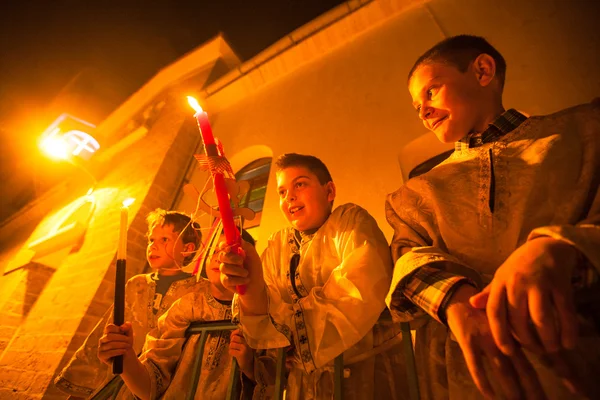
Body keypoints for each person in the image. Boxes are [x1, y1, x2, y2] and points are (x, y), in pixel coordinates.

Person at [385, 34, 600, 399]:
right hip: (475, 376)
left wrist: (562, 247)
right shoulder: (415, 193)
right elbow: (407, 253)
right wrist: (456, 301)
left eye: (431, 91)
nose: (422, 110)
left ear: (483, 71)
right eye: (415, 106)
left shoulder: (584, 132)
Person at [219, 153, 408, 399]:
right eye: (282, 192)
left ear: (329, 191)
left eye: (300, 184)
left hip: (366, 377)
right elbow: (266, 303)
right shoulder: (278, 244)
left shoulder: (350, 222)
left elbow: (359, 289)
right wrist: (247, 285)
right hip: (305, 386)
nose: (290, 197)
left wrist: (290, 329)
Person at [97, 226, 260, 400]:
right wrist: (126, 357)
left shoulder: (259, 314)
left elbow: (276, 378)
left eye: (229, 251)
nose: (218, 257)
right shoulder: (186, 307)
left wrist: (249, 366)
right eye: (214, 250)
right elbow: (149, 387)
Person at [55, 209, 201, 398]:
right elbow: (108, 328)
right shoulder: (136, 283)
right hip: (118, 377)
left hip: (166, 380)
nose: (153, 246)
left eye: (164, 239)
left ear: (187, 248)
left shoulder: (197, 289)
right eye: (151, 240)